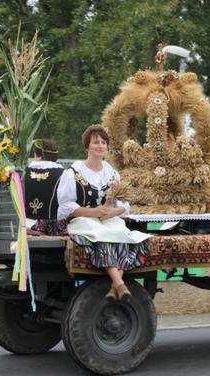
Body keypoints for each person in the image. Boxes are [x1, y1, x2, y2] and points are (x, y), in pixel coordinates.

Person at [57, 125, 150, 301]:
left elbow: (124, 203)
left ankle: (115, 287)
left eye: (103, 142)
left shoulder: (112, 173)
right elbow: (65, 206)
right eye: (95, 142)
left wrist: (115, 211)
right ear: (87, 147)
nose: (100, 145)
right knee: (103, 236)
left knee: (125, 236)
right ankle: (119, 284)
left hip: (107, 219)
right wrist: (93, 212)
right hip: (83, 219)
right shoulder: (74, 173)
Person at [24, 138, 67, 235]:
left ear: (37, 155)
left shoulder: (23, 173)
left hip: (24, 223)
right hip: (52, 226)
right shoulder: (63, 174)